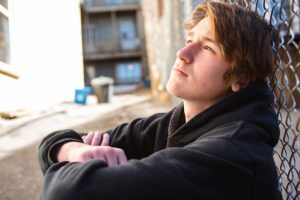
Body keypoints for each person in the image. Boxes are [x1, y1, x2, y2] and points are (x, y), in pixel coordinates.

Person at [38, 1, 282, 199]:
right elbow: (52, 143)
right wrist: (74, 150)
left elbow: (67, 192)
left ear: (242, 77)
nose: (183, 54)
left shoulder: (232, 154)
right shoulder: (176, 123)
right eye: (189, 41)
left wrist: (75, 162)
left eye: (208, 48)